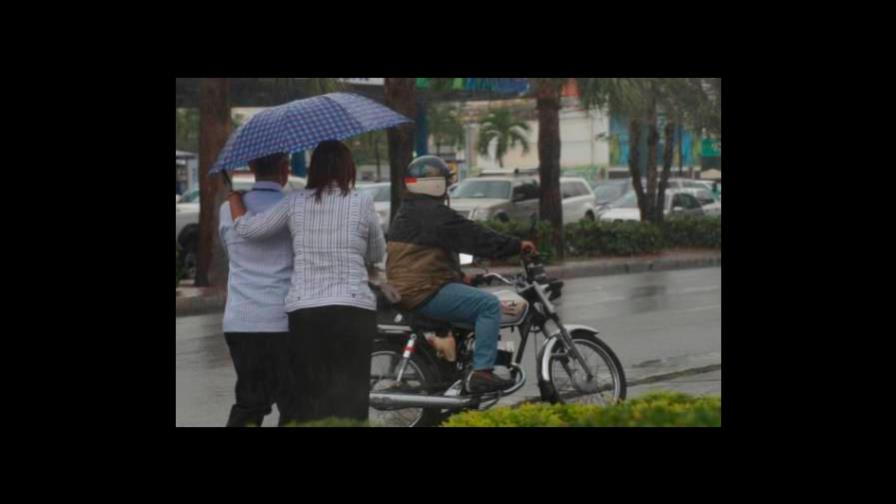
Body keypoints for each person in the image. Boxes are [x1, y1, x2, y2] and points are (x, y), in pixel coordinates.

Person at [228, 140, 385, 425]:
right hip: (353, 310)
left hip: (308, 314)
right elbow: (376, 253)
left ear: (314, 170)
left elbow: (249, 230)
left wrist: (235, 200)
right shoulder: (362, 201)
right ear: (348, 168)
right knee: (352, 396)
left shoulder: (295, 201)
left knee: (310, 397)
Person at [385, 155, 536, 394]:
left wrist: (458, 277)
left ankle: (459, 369)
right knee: (488, 305)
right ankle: (482, 373)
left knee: (471, 306)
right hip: (422, 290)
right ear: (433, 183)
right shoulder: (433, 213)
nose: (448, 186)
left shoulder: (412, 210)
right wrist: (516, 246)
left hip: (416, 286)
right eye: (445, 180)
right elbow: (474, 236)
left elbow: (427, 256)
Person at [218, 153, 293, 427]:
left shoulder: (228, 210)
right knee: (292, 402)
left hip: (241, 320)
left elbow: (230, 252)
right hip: (282, 320)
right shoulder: (292, 207)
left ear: (251, 167)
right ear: (285, 169)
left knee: (250, 401)